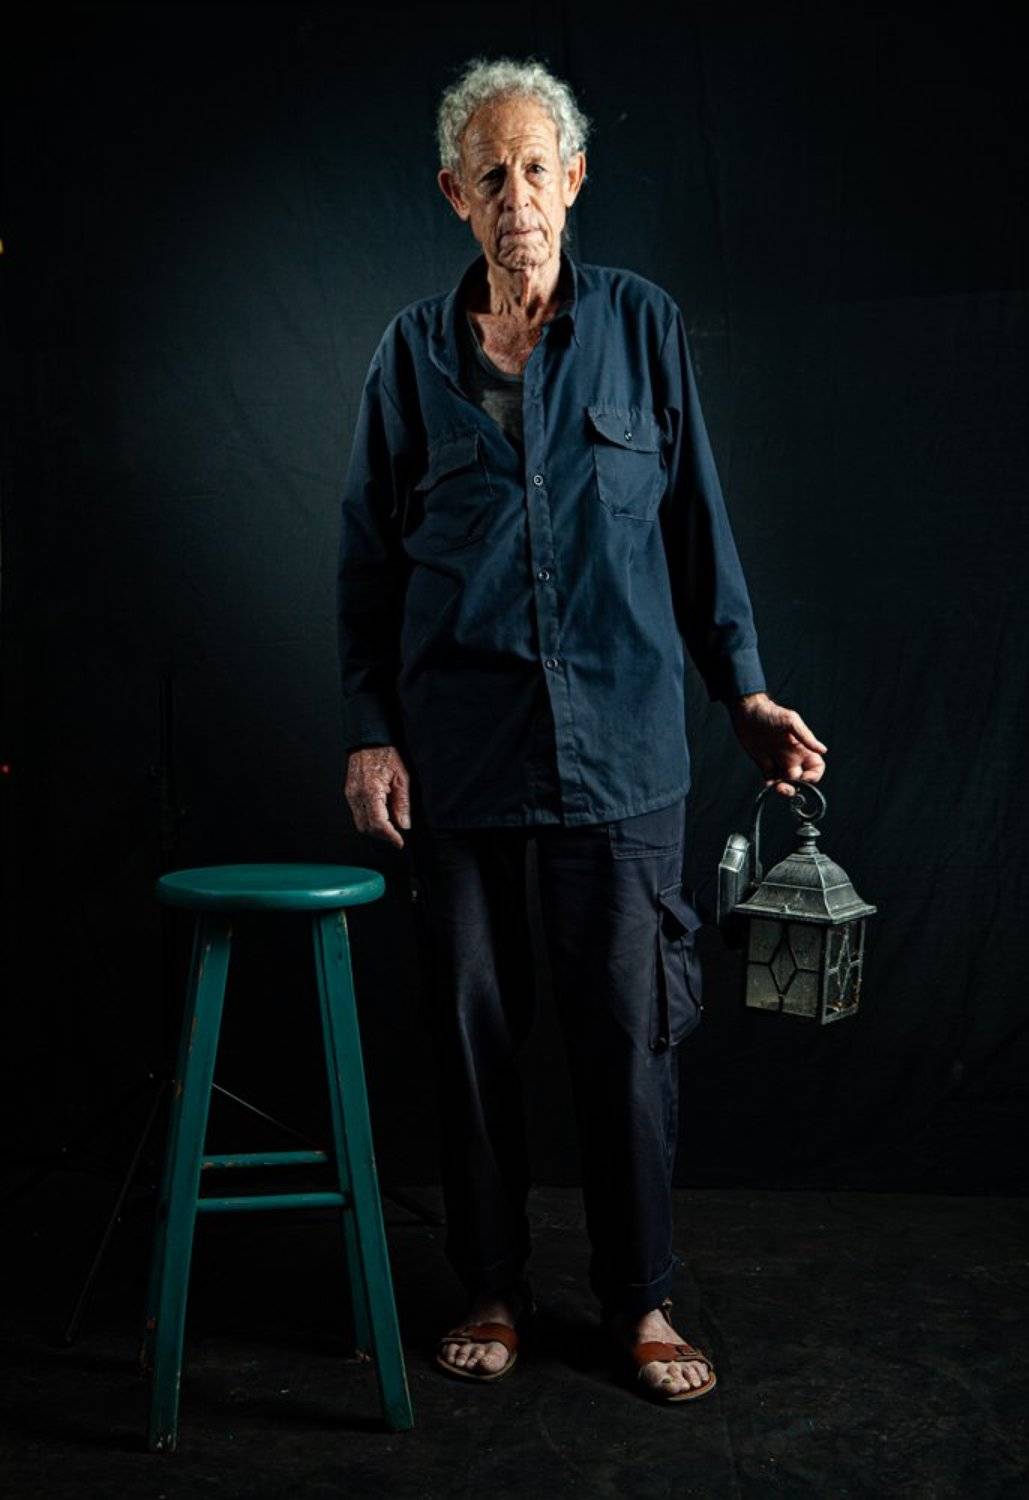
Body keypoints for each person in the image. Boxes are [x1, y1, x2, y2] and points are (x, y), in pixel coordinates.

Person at [337, 56, 826, 1404]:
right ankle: (492, 1284)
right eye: (491, 175)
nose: (519, 197)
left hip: (623, 759)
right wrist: (372, 731)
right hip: (462, 759)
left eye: (538, 170)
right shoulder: (408, 357)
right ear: (455, 194)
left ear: (576, 181)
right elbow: (366, 565)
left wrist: (743, 691)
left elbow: (696, 524)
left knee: (630, 1040)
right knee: (473, 1038)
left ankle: (639, 1298)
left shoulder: (641, 324)